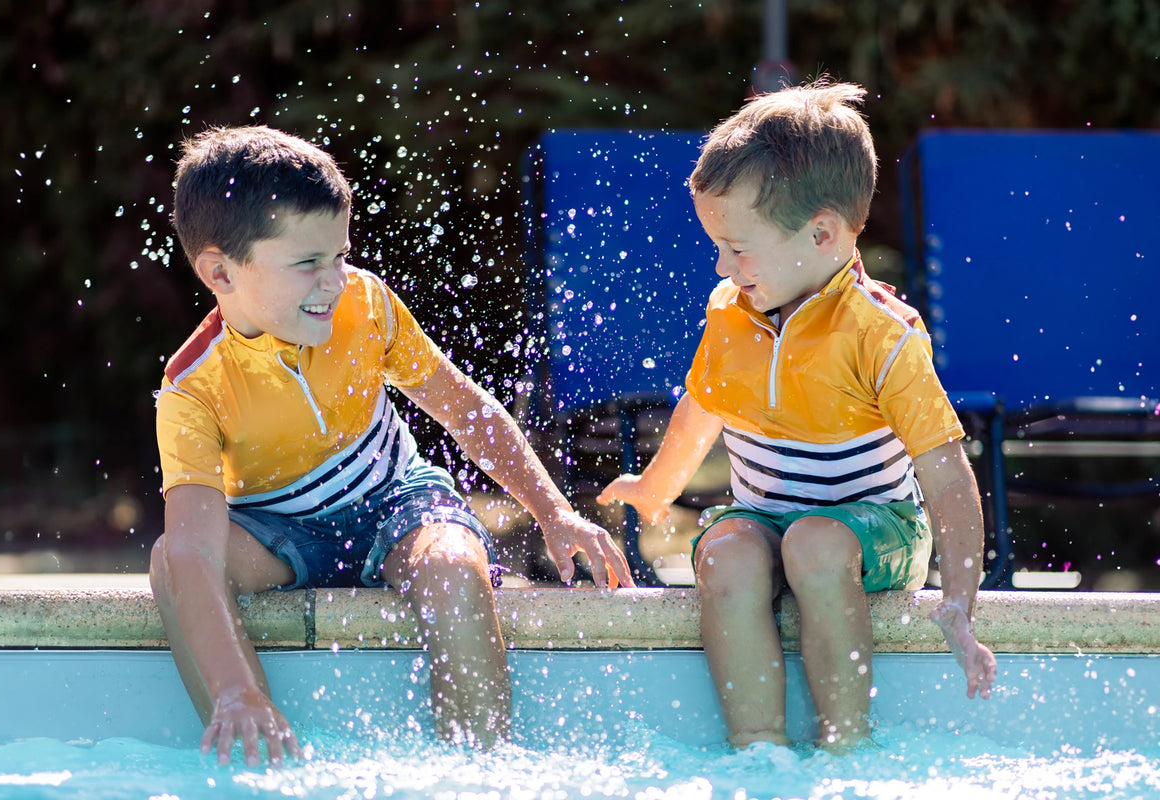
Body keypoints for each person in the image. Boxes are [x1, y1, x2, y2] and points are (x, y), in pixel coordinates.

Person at [151, 125, 635, 767]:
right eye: (307, 264)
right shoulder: (194, 389)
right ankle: (252, 738)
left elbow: (465, 408)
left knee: (453, 568)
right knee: (169, 560)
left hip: (396, 503)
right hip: (280, 533)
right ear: (221, 271)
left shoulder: (366, 303)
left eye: (339, 257)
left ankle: (477, 770)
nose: (333, 281)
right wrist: (234, 687)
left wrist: (553, 510)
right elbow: (193, 548)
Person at [597, 79, 997, 750]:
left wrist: (959, 602)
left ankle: (846, 747)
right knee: (724, 556)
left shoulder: (884, 336)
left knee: (814, 543)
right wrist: (655, 489)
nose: (723, 264)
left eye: (739, 247)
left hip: (878, 530)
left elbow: (947, 473)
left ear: (821, 233)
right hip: (770, 518)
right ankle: (761, 757)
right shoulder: (732, 312)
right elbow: (703, 407)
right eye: (718, 246)